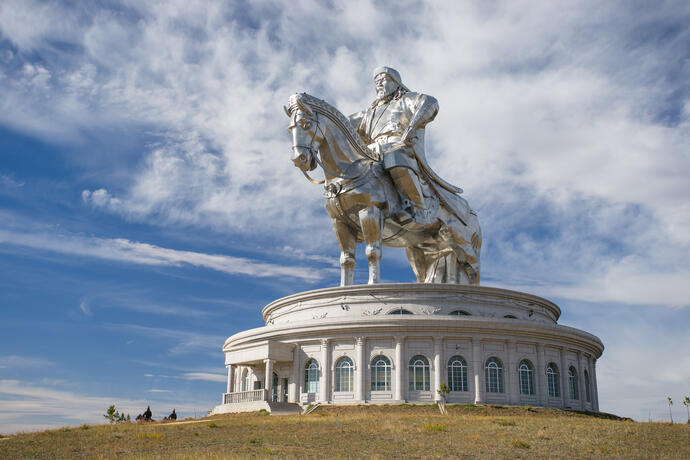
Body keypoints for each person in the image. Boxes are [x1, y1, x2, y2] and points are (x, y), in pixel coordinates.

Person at [349, 66, 460, 223]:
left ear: (395, 82)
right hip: (372, 150)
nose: (379, 84)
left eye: (383, 80)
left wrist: (412, 127)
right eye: (377, 82)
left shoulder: (406, 99)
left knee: (394, 156)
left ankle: (418, 207)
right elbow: (343, 123)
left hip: (397, 145)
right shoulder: (369, 112)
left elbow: (430, 102)